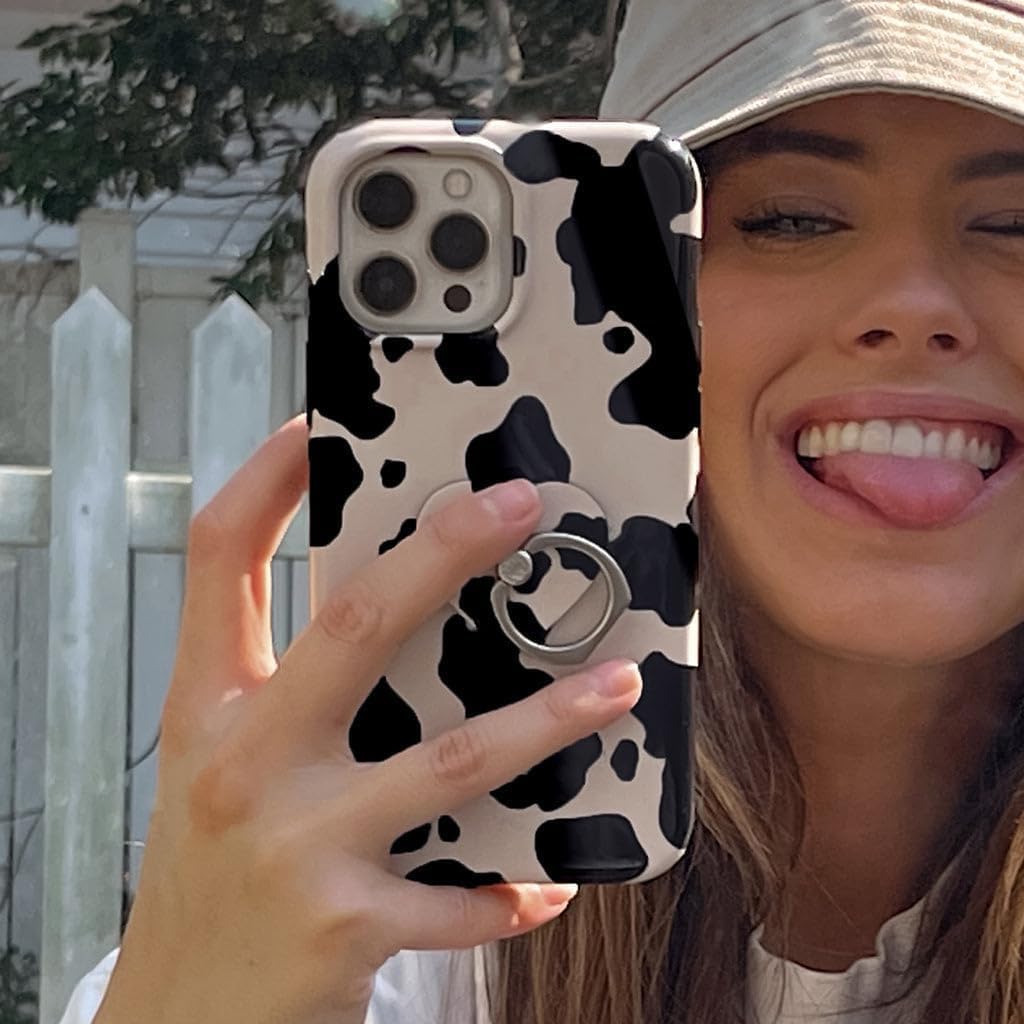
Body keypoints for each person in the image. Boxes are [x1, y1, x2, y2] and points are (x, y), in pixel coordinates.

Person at [58, 0, 1024, 1022]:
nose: (915, 304)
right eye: (792, 217)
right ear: (626, 302)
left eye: (1016, 225)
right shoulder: (382, 937)